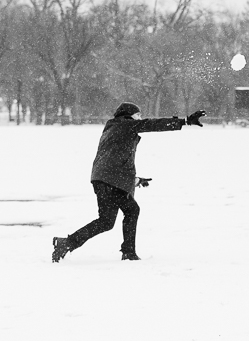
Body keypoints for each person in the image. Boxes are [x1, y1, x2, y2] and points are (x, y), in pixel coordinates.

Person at [51, 102, 206, 262]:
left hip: (101, 179)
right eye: (138, 115)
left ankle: (66, 243)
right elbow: (152, 124)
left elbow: (114, 160)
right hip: (111, 180)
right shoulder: (126, 125)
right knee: (132, 210)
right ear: (128, 115)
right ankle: (128, 252)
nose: (140, 118)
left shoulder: (112, 128)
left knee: (106, 221)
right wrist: (184, 121)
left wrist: (135, 180)